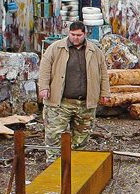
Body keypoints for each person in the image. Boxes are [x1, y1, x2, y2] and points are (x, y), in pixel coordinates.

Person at [38, 21, 110, 162]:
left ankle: (76, 165)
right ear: (68, 33)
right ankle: (53, 165)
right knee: (54, 135)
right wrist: (43, 87)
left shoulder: (95, 51)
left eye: (79, 35)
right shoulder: (56, 48)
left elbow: (103, 73)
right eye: (73, 34)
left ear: (85, 34)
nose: (76, 38)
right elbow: (44, 69)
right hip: (61, 102)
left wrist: (105, 93)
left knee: (82, 137)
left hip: (85, 102)